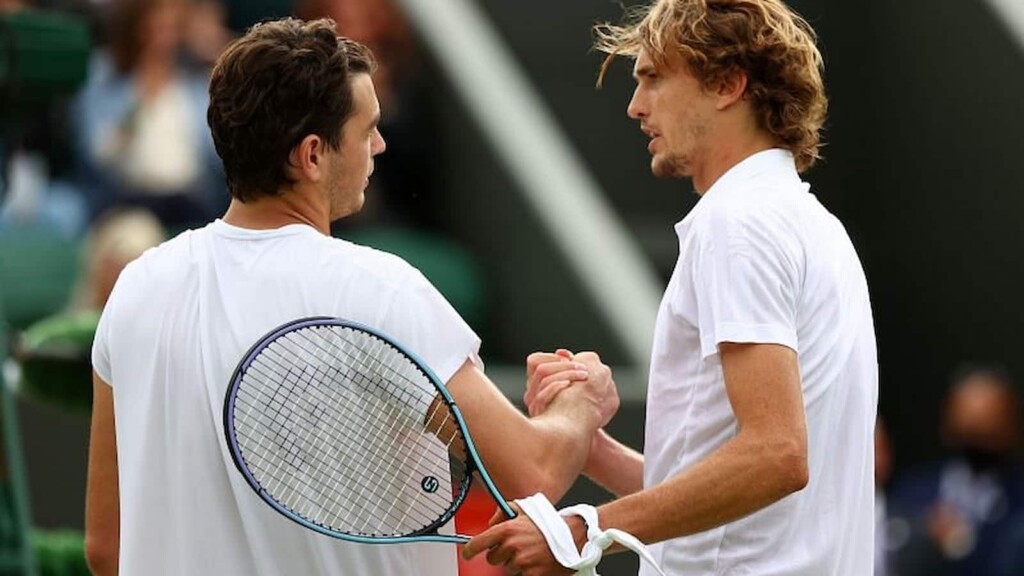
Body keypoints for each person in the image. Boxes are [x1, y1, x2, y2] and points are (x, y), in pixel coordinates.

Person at [84, 18, 619, 576]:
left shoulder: (136, 286)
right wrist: (578, 408)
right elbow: (532, 471)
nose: (380, 146)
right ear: (312, 155)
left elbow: (106, 548)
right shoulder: (382, 290)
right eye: (367, 130)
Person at [464, 1, 878, 575]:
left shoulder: (737, 223)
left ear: (728, 84)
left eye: (654, 78)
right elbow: (735, 498)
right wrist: (595, 449)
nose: (636, 107)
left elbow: (777, 457)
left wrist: (583, 529)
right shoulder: (812, 226)